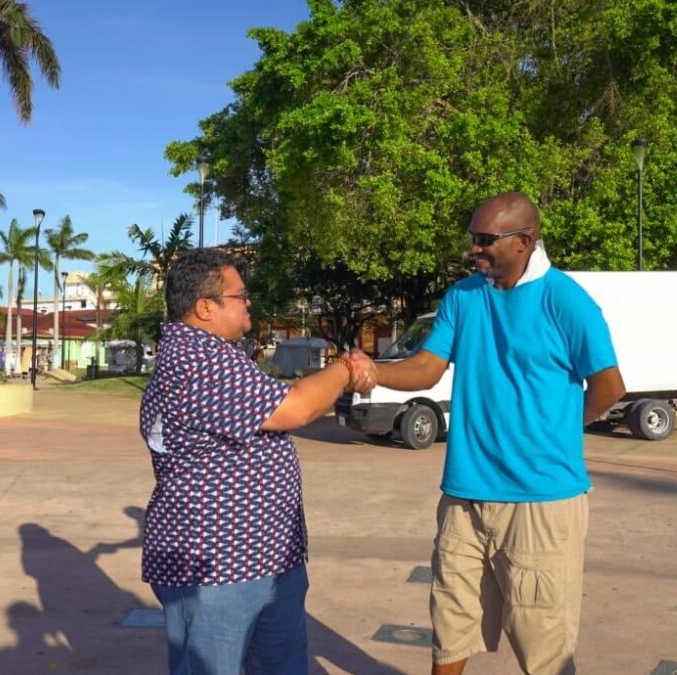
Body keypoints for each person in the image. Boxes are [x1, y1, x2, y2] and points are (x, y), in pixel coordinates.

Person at [357, 191, 626, 675]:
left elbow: (609, 386)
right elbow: (425, 368)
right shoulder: (462, 297)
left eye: (484, 241)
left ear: (524, 240)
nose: (473, 251)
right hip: (464, 494)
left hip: (542, 501)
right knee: (449, 628)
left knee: (543, 646)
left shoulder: (566, 301)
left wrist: (560, 433)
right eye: (472, 240)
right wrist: (369, 371)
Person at [139, 248, 375, 675]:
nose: (249, 302)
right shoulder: (199, 362)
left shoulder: (211, 356)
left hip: (260, 557)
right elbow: (297, 408)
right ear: (205, 307)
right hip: (217, 567)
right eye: (240, 296)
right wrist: (345, 369)